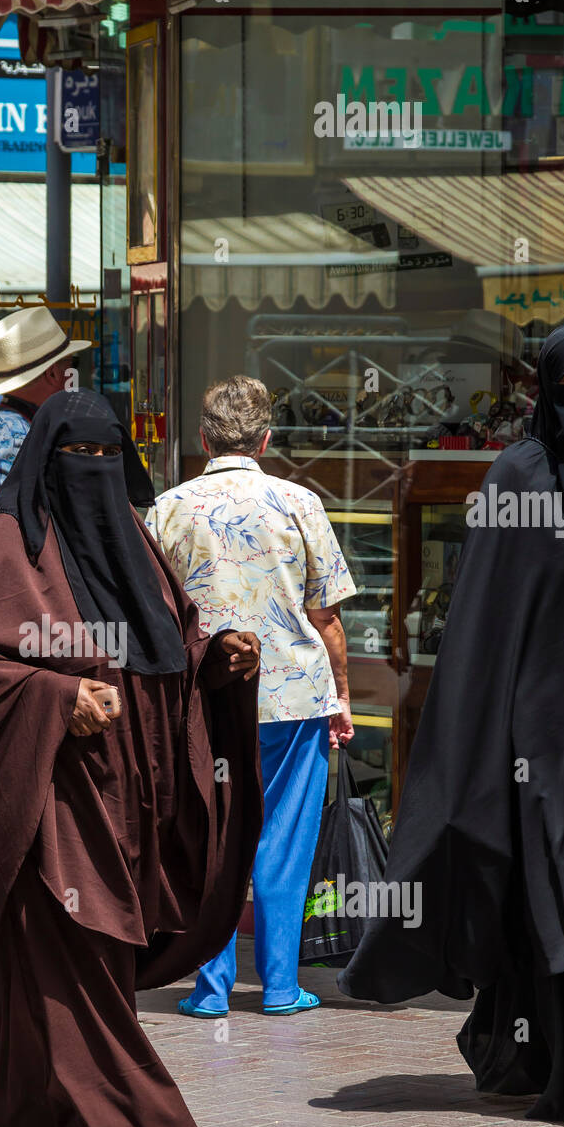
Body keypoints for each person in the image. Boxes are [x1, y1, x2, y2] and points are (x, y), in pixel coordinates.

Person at [0, 389, 264, 1127]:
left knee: (34, 983)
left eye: (108, 457)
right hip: (43, 809)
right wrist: (53, 699)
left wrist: (217, 659)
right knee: (74, 966)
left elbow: (168, 645)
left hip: (130, 805)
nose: (94, 473)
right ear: (46, 464)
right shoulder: (2, 547)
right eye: (77, 459)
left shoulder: (136, 546)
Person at [340, 321, 564, 1127]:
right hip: (541, 732)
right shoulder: (518, 476)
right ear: (548, 392)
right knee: (563, 885)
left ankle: (536, 1055)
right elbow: (484, 624)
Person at [147, 375, 357, 1018]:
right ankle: (280, 985)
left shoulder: (169, 508)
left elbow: (157, 614)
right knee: (284, 841)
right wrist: (342, 695)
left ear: (204, 438)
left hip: (207, 698)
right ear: (266, 438)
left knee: (211, 834)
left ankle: (209, 988)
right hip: (293, 696)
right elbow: (326, 618)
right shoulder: (300, 502)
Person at [0, 307, 89, 541]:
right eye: (71, 364)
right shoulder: (11, 436)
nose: (73, 373)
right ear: (51, 373)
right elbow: (2, 534)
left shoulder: (10, 426)